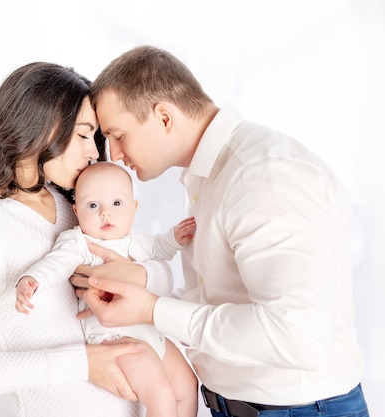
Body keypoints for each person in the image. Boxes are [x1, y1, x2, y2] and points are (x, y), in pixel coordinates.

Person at [72, 45, 370, 417]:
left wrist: (153, 309)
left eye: (117, 134)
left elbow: (299, 335)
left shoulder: (261, 174)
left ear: (164, 117)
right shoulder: (213, 175)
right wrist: (140, 288)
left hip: (299, 409)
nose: (113, 154)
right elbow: (221, 299)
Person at [0, 61, 180, 417]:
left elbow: (149, 264)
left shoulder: (75, 206)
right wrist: (83, 363)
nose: (94, 152)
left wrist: (144, 276)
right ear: (44, 127)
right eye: (83, 135)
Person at [15, 161, 198, 417]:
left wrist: (175, 238)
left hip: (153, 336)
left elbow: (160, 248)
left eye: (117, 203)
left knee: (187, 384)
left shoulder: (137, 240)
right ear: (77, 211)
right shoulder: (80, 242)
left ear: (134, 209)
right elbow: (57, 262)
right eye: (93, 205)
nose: (105, 213)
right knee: (161, 396)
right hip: (117, 339)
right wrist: (34, 278)